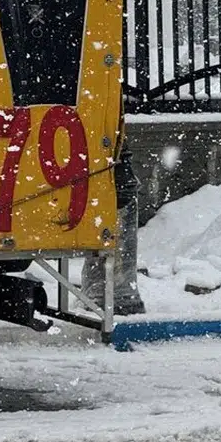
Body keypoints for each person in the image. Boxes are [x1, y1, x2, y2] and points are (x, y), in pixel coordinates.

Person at [81, 108, 145, 316]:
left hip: (100, 153)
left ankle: (106, 292)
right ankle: (117, 292)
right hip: (106, 154)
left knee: (110, 219)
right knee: (115, 214)